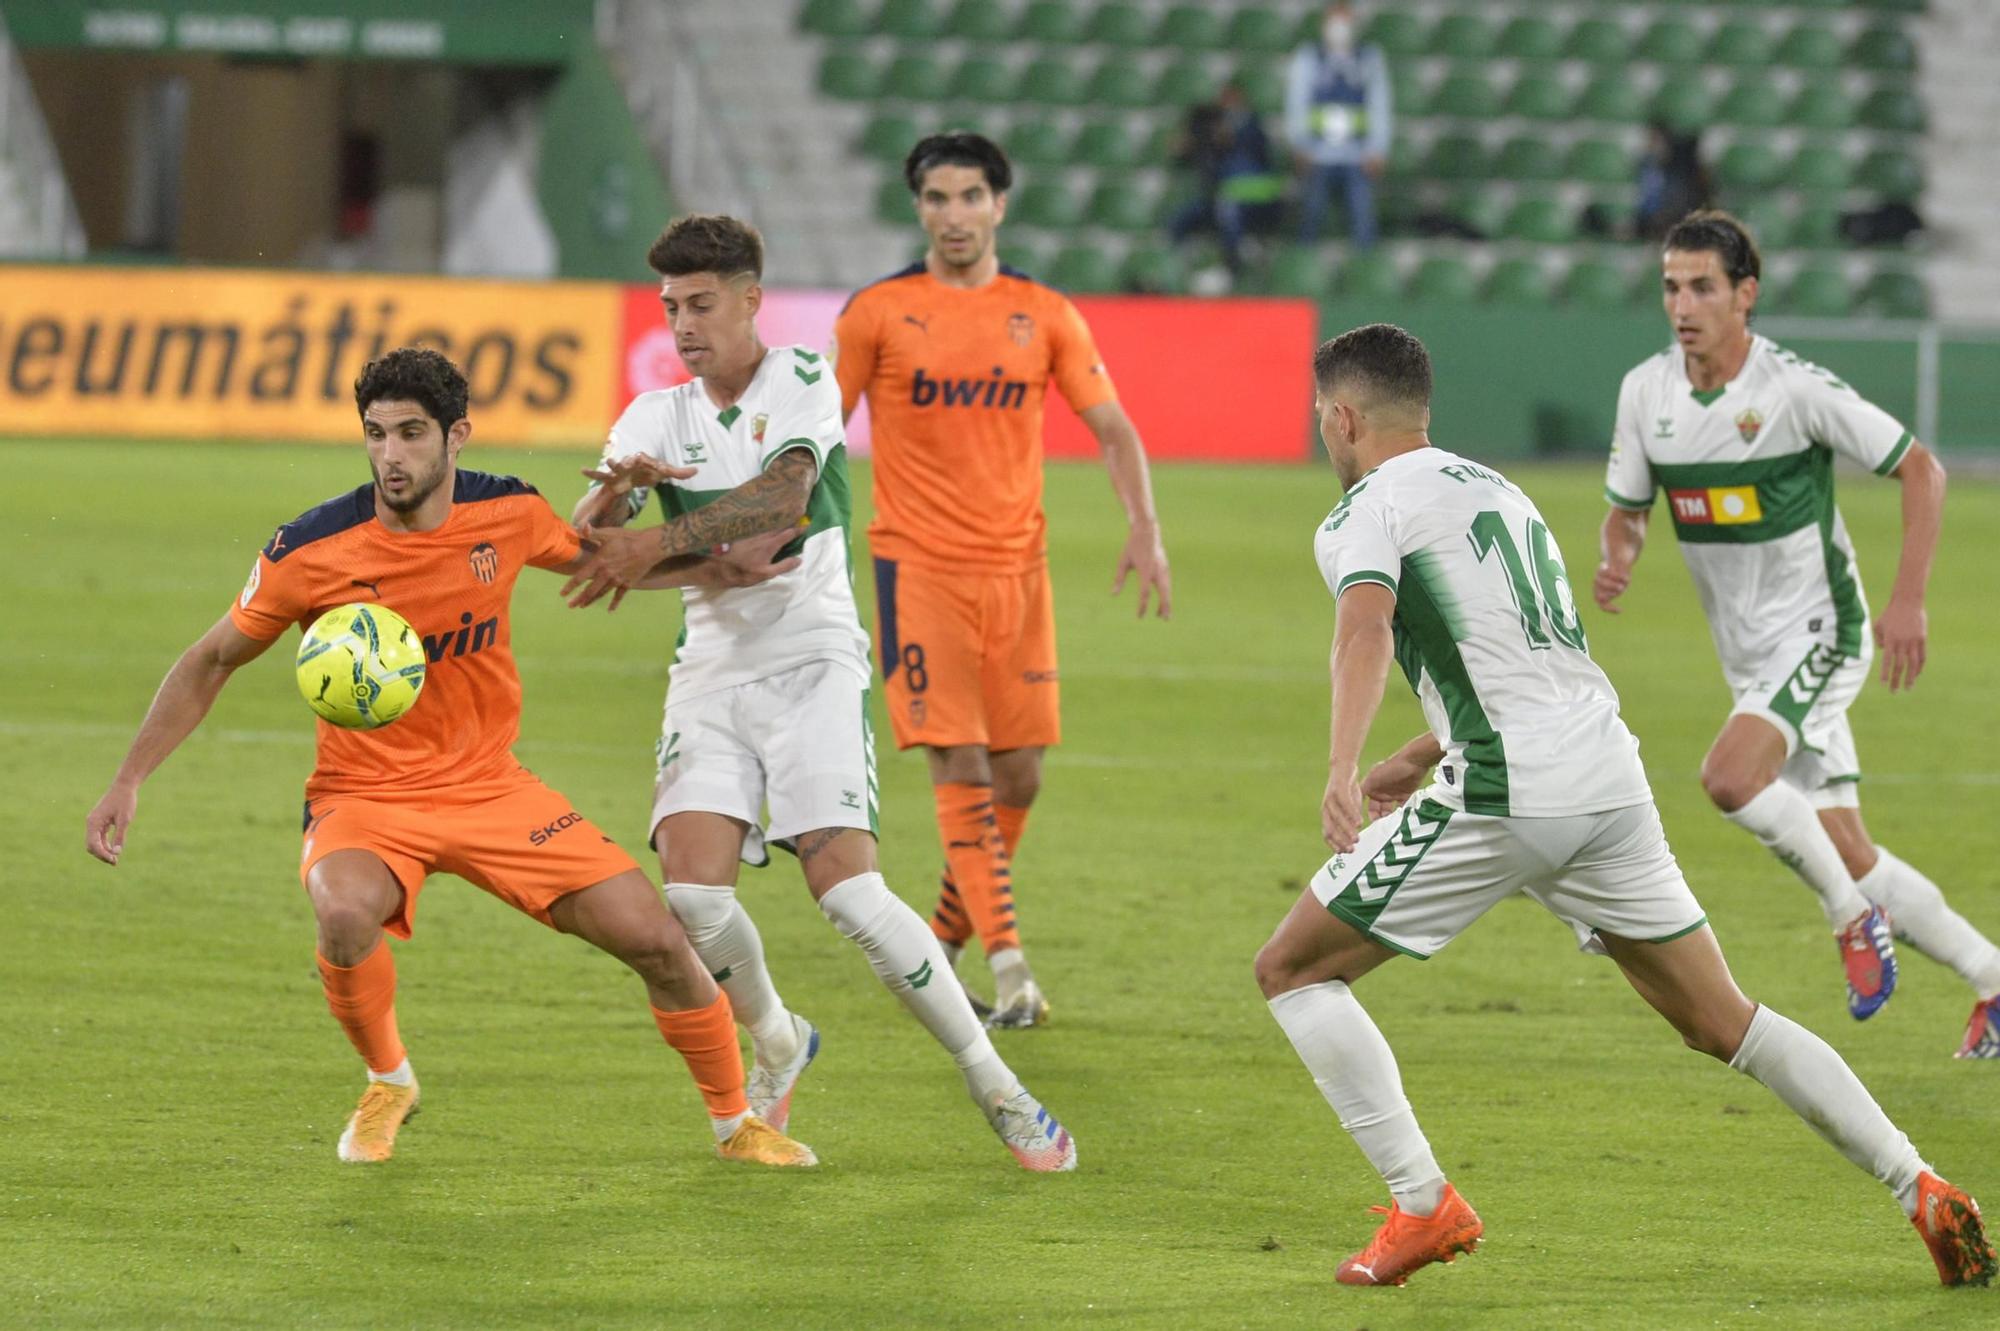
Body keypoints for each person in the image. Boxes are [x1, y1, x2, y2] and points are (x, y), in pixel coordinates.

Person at [1255, 321, 1994, 1289]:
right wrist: (1412, 751)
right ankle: (1921, 1185)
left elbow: (1363, 628)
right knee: (1721, 1018)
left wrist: (1342, 763)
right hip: (1601, 771)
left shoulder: (1360, 509)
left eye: (1323, 421)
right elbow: (1533, 658)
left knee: (1293, 968)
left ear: (1341, 417)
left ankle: (1422, 1199)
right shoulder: (1499, 493)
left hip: (1508, 786)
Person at [82, 347, 817, 1168]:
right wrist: (128, 779)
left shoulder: (505, 512)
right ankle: (388, 1078)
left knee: (653, 936)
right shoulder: (311, 549)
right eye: (375, 434)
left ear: (455, 435)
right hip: (365, 795)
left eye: (410, 433)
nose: (390, 455)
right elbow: (212, 658)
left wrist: (723, 567)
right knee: (343, 909)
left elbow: (604, 560)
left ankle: (736, 1124)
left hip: (490, 786)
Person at [557, 214, 1076, 1170]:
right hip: (710, 672)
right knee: (693, 896)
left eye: (703, 304)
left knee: (850, 894)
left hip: (812, 660)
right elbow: (598, 538)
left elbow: (781, 508)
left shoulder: (800, 378)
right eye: (671, 307)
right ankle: (780, 1038)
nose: (684, 325)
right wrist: (613, 505)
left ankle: (997, 1083)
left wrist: (658, 548)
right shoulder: (649, 417)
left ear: (751, 298)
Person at [1597, 210, 2000, 1050]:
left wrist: (1907, 600)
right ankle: (1993, 979)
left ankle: (1849, 919)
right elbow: (1627, 510)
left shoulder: (1792, 390)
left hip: (1824, 631)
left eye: (1703, 285)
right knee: (1850, 846)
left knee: (1729, 777)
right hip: (1751, 658)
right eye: (1671, 285)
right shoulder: (1646, 392)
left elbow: (1921, 467)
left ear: (1746, 294)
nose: (1683, 303)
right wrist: (1620, 554)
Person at [832, 131, 1173, 1028]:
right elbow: (817, 440)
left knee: (1020, 775)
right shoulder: (876, 313)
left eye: (970, 197)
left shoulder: (1045, 313)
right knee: (963, 760)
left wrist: (1145, 528)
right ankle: (1010, 963)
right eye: (937, 199)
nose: (954, 216)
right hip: (919, 567)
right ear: (919, 208)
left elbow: (1115, 429)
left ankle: (937, 941)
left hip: (1017, 572)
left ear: (1000, 205)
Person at [1285, 2, 1391, 248]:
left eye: (1345, 22)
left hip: (1358, 155)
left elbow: (1380, 105)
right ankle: (1303, 270)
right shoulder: (1309, 57)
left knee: (1363, 220)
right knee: (1310, 218)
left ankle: (1365, 274)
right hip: (1317, 154)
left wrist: (1378, 149)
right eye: (1335, 22)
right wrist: (1299, 144)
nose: (1339, 28)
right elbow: (1296, 102)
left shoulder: (1369, 58)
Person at [1165, 79, 1285, 283]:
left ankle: (1232, 268)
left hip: (1255, 199)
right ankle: (1183, 270)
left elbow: (1257, 157)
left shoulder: (1252, 127)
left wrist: (1228, 137)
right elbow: (1192, 156)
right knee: (1180, 221)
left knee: (1229, 211)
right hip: (1218, 197)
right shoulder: (1212, 129)